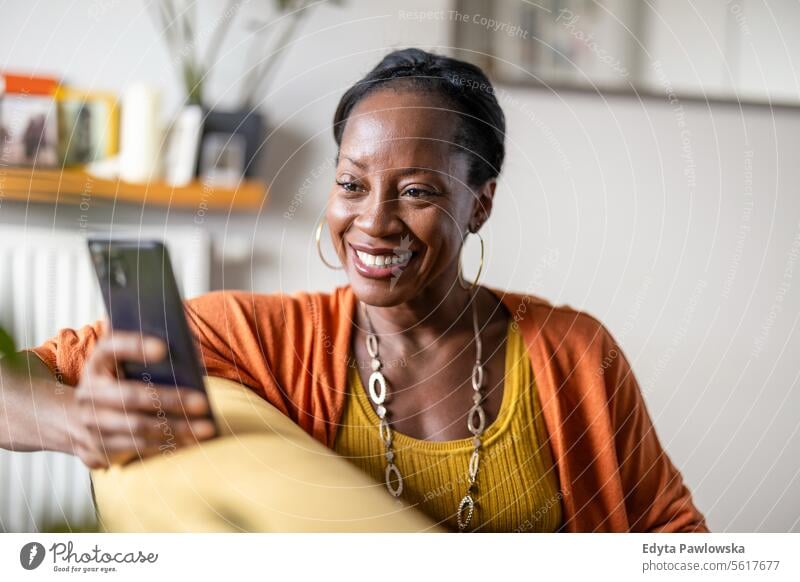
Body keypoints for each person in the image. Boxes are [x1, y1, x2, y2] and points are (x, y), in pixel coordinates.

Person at [0, 48, 708, 533]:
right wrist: (74, 422)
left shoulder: (574, 353)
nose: (372, 221)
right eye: (351, 184)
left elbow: (671, 535)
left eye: (418, 190)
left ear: (480, 203)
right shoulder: (263, 339)